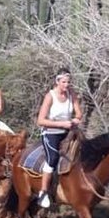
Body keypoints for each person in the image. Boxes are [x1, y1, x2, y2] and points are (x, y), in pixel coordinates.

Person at [35, 68, 83, 208]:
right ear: (57, 82)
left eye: (68, 82)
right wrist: (61, 124)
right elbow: (41, 120)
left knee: (84, 150)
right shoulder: (50, 97)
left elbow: (79, 113)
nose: (66, 85)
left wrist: (75, 120)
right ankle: (43, 192)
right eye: (64, 82)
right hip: (51, 133)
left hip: (68, 131)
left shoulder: (71, 94)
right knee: (53, 158)